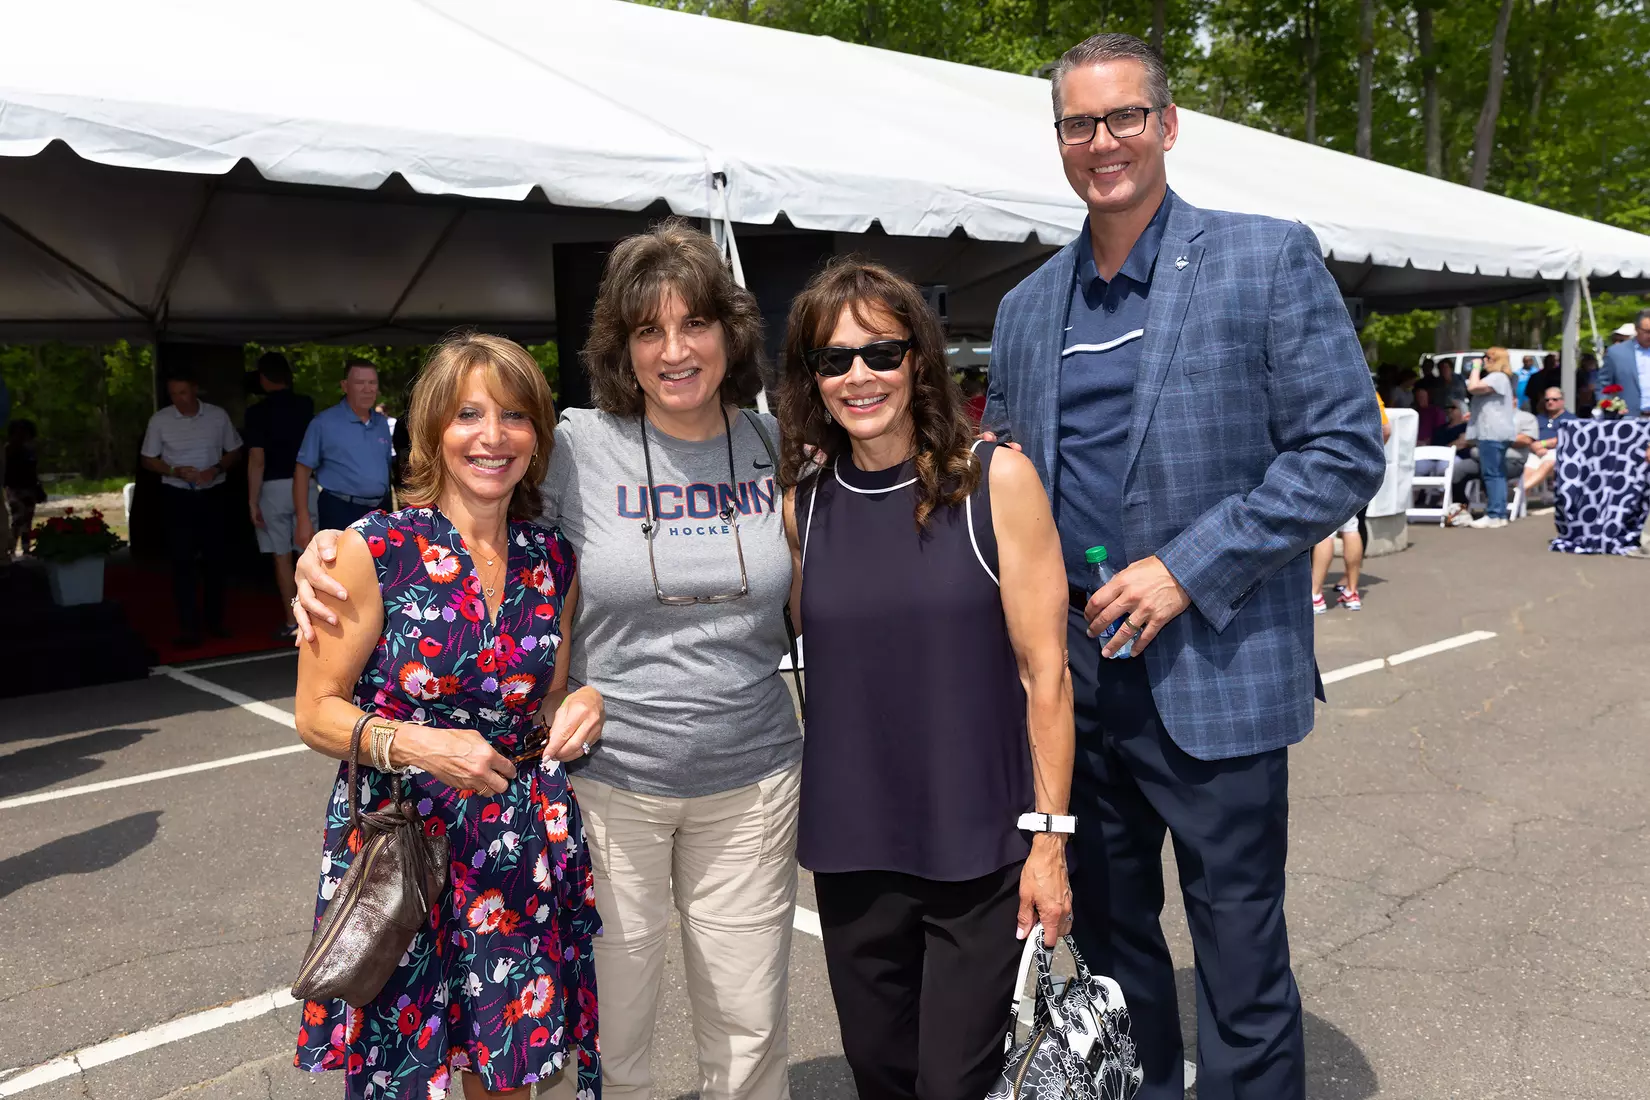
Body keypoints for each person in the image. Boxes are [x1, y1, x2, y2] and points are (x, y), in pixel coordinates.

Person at [296, 222, 802, 1100]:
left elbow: (554, 675)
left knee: (734, 1027)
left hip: (714, 787)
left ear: (733, 331)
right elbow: (322, 698)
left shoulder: (771, 447)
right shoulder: (575, 446)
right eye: (648, 330)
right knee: (602, 1029)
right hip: (537, 811)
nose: (675, 350)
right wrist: (323, 552)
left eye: (695, 325)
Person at [981, 34, 1385, 1100]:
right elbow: (1005, 488)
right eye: (1079, 123)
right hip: (1082, 687)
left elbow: (1345, 449)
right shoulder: (1027, 309)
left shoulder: (1264, 257)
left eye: (1123, 117)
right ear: (1059, 140)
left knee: (1242, 965)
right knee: (1116, 963)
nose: (1101, 141)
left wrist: (1185, 567)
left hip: (1216, 670)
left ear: (1167, 124)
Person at [775, 260, 1074, 1100]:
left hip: (979, 850)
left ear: (919, 360)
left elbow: (1046, 674)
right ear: (812, 379)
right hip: (854, 850)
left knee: (952, 1084)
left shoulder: (993, 481)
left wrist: (1049, 843)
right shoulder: (806, 501)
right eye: (834, 360)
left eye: (881, 351)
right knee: (880, 1076)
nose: (859, 375)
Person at [292, 332, 604, 1100]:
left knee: (509, 1071)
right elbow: (314, 713)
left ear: (539, 437)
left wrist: (584, 701)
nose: (492, 437)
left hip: (518, 840)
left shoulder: (550, 556)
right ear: (433, 429)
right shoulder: (369, 551)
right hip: (409, 847)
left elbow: (548, 692)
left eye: (514, 417)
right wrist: (421, 747)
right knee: (411, 1073)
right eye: (468, 414)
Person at [139, 374, 243, 647]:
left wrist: (216, 469)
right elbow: (148, 459)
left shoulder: (217, 416)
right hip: (177, 494)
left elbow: (235, 450)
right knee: (181, 561)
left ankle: (215, 621)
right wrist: (174, 470)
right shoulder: (160, 420)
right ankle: (188, 626)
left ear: (195, 390)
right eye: (174, 394)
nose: (179, 399)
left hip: (213, 492)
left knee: (215, 559)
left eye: (183, 392)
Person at [243, 351, 316, 639]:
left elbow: (256, 459)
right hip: (305, 482)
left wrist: (252, 499)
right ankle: (314, 616)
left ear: (263, 378)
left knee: (281, 556)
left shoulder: (256, 413)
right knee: (309, 554)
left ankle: (292, 619)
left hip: (272, 488)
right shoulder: (305, 405)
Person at [293, 359, 394, 548]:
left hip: (380, 510)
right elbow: (302, 471)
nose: (367, 389)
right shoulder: (323, 423)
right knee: (342, 574)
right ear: (345, 386)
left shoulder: (382, 423)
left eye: (372, 383)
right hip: (340, 511)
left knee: (379, 573)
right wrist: (303, 519)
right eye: (360, 383)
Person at [1464, 346, 1519, 528]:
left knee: (1491, 474)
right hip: (1497, 433)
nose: (1484, 360)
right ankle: (1500, 514)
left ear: (1495, 360)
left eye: (1487, 357)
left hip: (1492, 433)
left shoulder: (1497, 377)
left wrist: (1475, 368)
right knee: (1498, 474)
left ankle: (1494, 514)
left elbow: (1473, 387)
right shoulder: (1502, 378)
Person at [1597, 309, 1650, 419]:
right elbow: (1602, 385)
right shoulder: (1616, 353)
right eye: (1647, 331)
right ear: (1636, 329)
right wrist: (1610, 407)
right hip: (1627, 420)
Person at [1522, 387, 1575, 495]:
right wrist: (1535, 447)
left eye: (1554, 399)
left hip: (1558, 454)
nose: (1550, 402)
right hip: (1536, 453)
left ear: (1562, 401)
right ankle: (1520, 506)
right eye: (1547, 400)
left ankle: (1521, 488)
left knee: (1548, 463)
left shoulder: (1570, 419)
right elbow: (1529, 436)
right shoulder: (1538, 418)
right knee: (1527, 470)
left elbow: (1568, 437)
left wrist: (1544, 443)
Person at [5, 418, 45, 558]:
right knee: (18, 517)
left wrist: (38, 488)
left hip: (28, 488)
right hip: (14, 488)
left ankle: (25, 548)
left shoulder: (29, 451)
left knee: (27, 519)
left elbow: (33, 472)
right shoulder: (9, 450)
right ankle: (11, 548)